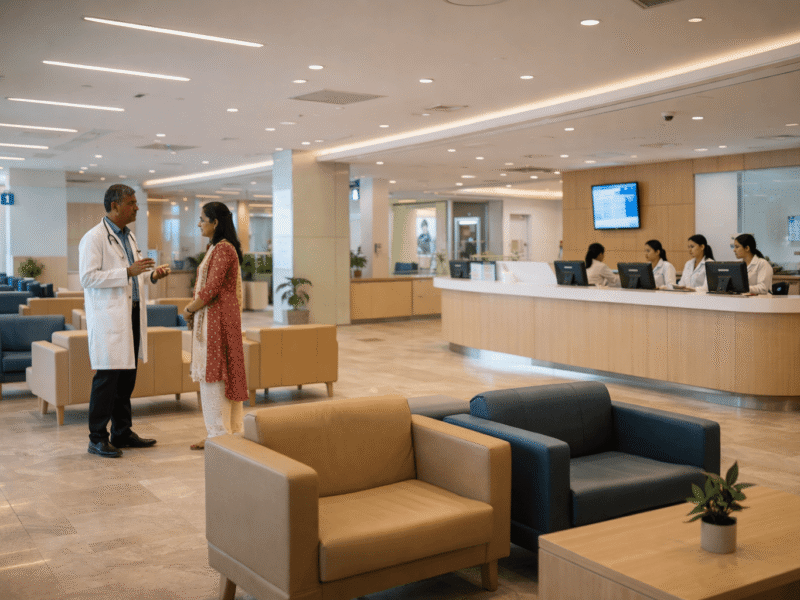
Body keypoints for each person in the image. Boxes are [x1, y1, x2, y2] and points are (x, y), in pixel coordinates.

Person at [79, 184, 171, 458]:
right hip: (109, 319)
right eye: (132, 203)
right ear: (115, 205)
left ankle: (122, 432)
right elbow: (88, 277)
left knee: (126, 380)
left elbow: (136, 274)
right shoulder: (94, 238)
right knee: (107, 379)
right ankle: (97, 438)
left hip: (131, 314)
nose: (137, 208)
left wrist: (151, 276)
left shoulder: (129, 237)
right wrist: (126, 272)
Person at [182, 202, 248, 450]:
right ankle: (224, 434)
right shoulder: (218, 248)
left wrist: (189, 309)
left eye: (202, 219)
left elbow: (211, 289)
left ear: (215, 222)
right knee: (222, 376)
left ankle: (221, 437)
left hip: (218, 321)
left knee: (216, 378)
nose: (199, 224)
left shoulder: (222, 250)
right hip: (221, 318)